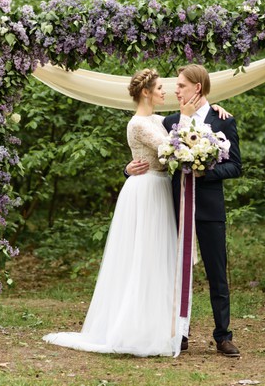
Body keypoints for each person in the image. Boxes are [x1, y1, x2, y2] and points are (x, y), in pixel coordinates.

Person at [43, 68, 201, 357]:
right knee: (141, 256)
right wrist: (187, 117)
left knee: (158, 257)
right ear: (145, 92)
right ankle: (134, 326)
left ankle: (158, 325)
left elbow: (181, 132)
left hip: (160, 189)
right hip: (145, 191)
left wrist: (210, 109)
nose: (164, 92)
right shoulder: (138, 124)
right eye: (159, 88)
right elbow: (170, 148)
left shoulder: (157, 119)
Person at [126, 64, 242, 357]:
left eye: (180, 86)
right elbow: (147, 148)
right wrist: (127, 170)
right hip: (174, 205)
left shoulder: (222, 120)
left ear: (197, 89)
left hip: (209, 208)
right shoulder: (171, 121)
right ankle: (180, 333)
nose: (175, 90)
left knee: (217, 272)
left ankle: (223, 336)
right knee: (176, 273)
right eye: (174, 86)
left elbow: (236, 166)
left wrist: (207, 172)